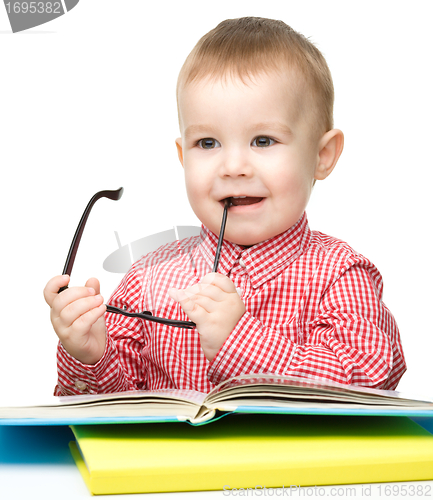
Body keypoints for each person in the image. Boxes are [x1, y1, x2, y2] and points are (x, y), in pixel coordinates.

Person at [44, 17, 406, 396]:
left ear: (322, 155)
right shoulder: (145, 280)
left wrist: (241, 341)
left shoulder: (340, 274)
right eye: (208, 143)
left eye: (263, 140)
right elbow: (111, 411)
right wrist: (89, 353)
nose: (233, 168)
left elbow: (371, 379)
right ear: (183, 156)